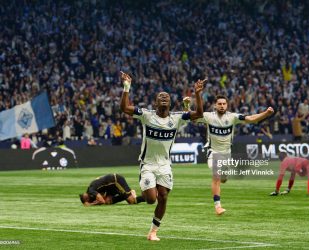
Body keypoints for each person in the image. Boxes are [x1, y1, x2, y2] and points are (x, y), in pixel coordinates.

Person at [120, 71, 205, 241]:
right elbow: (124, 108)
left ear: (171, 103)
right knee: (151, 199)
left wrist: (197, 94)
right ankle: (137, 197)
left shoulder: (177, 118)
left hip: (165, 165)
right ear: (156, 103)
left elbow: (199, 115)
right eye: (161, 97)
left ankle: (153, 232)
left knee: (164, 197)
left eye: (166, 96)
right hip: (148, 164)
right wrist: (127, 87)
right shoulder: (147, 115)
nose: (164, 97)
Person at [186, 95, 274, 215]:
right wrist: (186, 106)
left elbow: (251, 118)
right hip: (213, 152)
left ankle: (224, 177)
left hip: (227, 154)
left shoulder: (233, 117)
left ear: (227, 105)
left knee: (223, 179)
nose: (222, 106)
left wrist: (266, 113)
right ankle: (218, 206)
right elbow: (192, 117)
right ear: (215, 105)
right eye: (219, 104)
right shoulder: (208, 116)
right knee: (216, 176)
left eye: (224, 104)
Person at [79, 173, 144, 206]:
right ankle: (126, 194)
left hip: (116, 181)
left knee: (131, 201)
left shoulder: (91, 190)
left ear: (87, 199)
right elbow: (103, 196)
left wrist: (91, 204)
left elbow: (102, 201)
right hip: (111, 187)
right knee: (108, 201)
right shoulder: (91, 189)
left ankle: (148, 197)